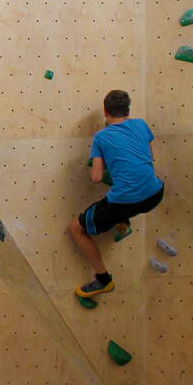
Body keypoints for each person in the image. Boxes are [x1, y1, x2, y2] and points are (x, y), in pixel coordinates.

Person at [69, 89, 164, 298]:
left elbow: (95, 177)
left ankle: (104, 281)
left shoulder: (101, 137)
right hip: (155, 193)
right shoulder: (141, 124)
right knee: (122, 190)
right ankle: (123, 222)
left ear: (106, 112)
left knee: (77, 228)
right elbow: (149, 156)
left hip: (127, 201)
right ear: (127, 110)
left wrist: (102, 161)